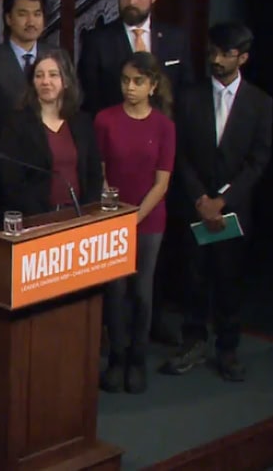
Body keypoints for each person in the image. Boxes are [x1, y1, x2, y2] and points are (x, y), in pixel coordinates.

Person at [162, 22, 272, 382]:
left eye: (226, 54)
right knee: (193, 278)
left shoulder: (260, 103)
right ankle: (192, 342)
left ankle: (227, 349)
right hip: (194, 206)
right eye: (213, 51)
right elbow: (180, 155)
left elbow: (258, 161)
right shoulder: (188, 97)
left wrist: (222, 201)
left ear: (243, 57)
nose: (217, 59)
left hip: (232, 212)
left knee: (229, 280)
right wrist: (201, 198)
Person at [94, 52, 175, 393]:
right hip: (112, 218)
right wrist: (115, 213)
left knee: (142, 292)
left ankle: (137, 360)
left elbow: (162, 182)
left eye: (138, 81)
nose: (130, 87)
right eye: (126, 80)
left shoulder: (164, 126)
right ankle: (116, 359)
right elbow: (99, 171)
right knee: (115, 291)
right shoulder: (105, 120)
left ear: (152, 85)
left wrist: (136, 217)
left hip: (149, 220)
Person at [0, 50, 103, 216]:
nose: (45, 81)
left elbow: (94, 173)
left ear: (66, 81)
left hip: (79, 216)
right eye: (39, 76)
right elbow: (11, 181)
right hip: (37, 218)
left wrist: (87, 212)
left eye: (53, 75)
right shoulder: (17, 124)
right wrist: (43, 217)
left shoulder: (81, 122)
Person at [77, 0, 194, 115]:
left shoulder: (176, 39)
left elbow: (186, 93)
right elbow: (90, 98)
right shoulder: (97, 41)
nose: (131, 2)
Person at [0, 0, 67, 148]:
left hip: (56, 149)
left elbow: (71, 104)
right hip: (9, 152)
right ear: (9, 19)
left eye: (37, 14)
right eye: (23, 14)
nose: (31, 22)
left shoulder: (59, 57)